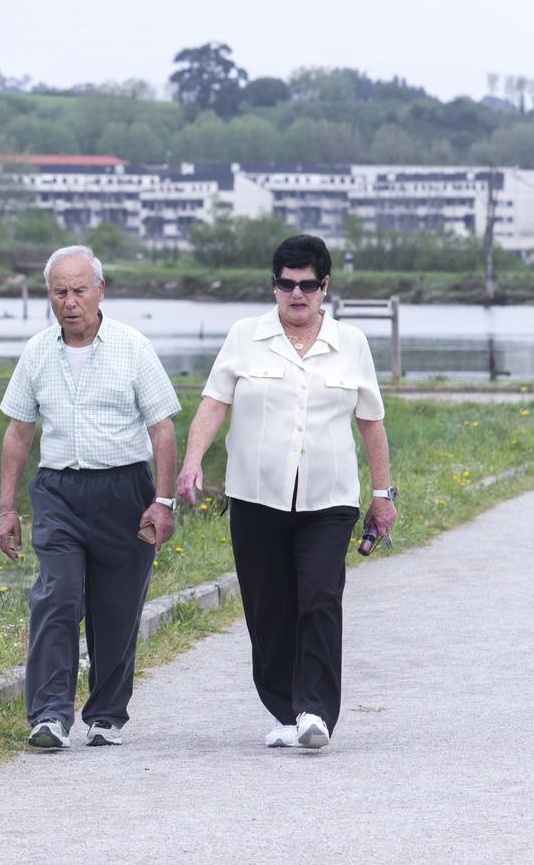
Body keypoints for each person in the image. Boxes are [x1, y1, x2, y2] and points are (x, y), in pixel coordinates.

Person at [177, 234, 397, 751]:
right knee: (268, 606)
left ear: (325, 287)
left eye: (307, 286)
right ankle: (286, 707)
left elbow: (372, 423)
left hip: (330, 498)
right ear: (273, 285)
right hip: (256, 497)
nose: (296, 294)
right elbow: (213, 404)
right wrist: (191, 463)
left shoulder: (352, 344)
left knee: (320, 597)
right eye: (286, 284)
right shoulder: (244, 337)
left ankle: (316, 711)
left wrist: (383, 493)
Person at [0, 244, 180, 750]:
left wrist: (163, 503)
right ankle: (50, 715)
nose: (69, 301)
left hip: (125, 489)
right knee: (57, 596)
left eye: (79, 290)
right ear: (49, 296)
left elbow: (163, 431)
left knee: (116, 609)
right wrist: (7, 508)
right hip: (59, 491)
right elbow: (17, 432)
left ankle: (106, 714)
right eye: (59, 292)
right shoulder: (37, 351)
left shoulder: (133, 346)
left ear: (101, 290)